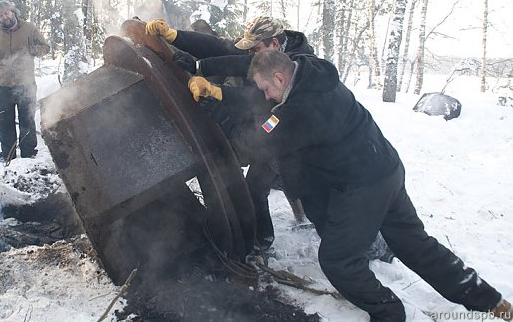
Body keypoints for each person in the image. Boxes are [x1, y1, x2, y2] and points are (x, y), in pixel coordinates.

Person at [193, 49, 512, 322]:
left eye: (266, 89)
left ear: (279, 78)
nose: (265, 98)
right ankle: (490, 301)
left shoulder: (302, 111)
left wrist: (212, 108)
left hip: (363, 185)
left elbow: (253, 145)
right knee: (416, 245)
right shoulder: (309, 69)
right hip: (386, 168)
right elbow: (256, 87)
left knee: (338, 261)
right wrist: (213, 84)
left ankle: (390, 314)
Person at [146, 16, 313, 251]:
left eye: (255, 50)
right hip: (264, 130)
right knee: (257, 186)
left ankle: (265, 242)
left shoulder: (298, 69)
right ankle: (262, 241)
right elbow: (220, 48)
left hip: (286, 141)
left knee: (263, 187)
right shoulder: (265, 55)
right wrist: (175, 36)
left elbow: (258, 101)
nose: (251, 56)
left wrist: (218, 97)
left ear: (274, 44)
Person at [0, 0, 50, 163]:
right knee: (5, 122)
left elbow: (45, 47)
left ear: (13, 11)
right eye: (0, 15)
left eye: (6, 13)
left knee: (27, 120)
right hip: (3, 86)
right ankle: (8, 155)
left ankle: (28, 154)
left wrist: (30, 50)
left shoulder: (29, 28)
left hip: (26, 84)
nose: (4, 17)